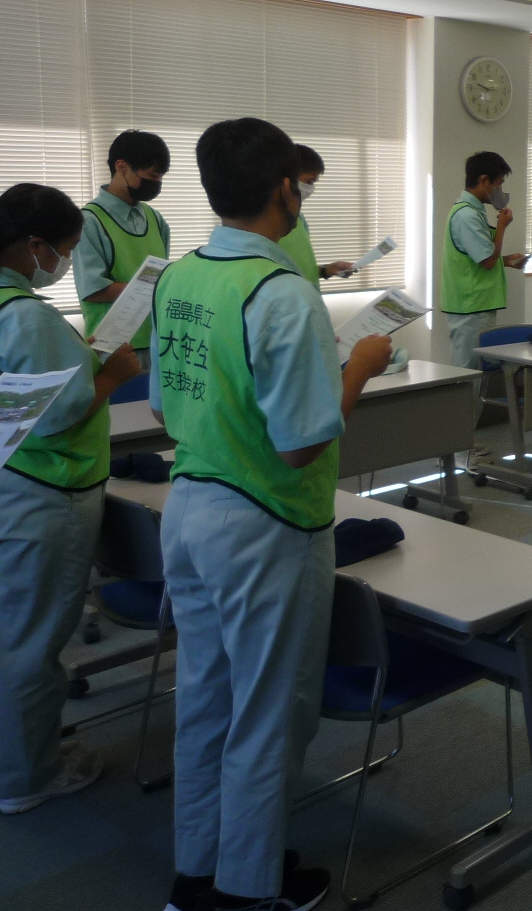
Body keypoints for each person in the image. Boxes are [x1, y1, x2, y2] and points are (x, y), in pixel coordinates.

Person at [152, 117, 392, 911]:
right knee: (267, 716)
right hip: (266, 523)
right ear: (287, 189)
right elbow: (300, 444)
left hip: (189, 508)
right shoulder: (281, 292)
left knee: (205, 703)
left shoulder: (180, 276)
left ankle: (198, 871)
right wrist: (359, 368)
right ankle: (246, 890)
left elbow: (161, 405)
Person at [0, 184, 140, 816]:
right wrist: (113, 375)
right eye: (65, 249)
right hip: (43, 491)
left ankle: (18, 752)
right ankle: (28, 776)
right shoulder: (25, 316)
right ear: (34, 245)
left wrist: (84, 360)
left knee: (12, 630)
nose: (64, 262)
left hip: (14, 479)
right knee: (31, 642)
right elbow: (58, 415)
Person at [74, 128, 172, 371]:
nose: (156, 183)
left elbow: (161, 274)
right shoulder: (90, 221)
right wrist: (152, 287)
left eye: (161, 177)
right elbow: (92, 290)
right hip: (112, 348)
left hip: (157, 341)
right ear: (121, 166)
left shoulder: (155, 219)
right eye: (151, 175)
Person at [442, 151, 527, 372]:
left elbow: (479, 256)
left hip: (476, 305)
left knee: (477, 370)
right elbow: (487, 261)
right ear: (484, 180)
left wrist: (506, 261)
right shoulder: (466, 215)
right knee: (468, 372)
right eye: (498, 183)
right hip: (470, 307)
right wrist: (502, 227)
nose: (500, 190)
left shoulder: (473, 212)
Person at [278, 144, 355, 285]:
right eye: (309, 181)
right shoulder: (262, 224)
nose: (311, 188)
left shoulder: (299, 219)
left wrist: (327, 270)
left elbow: (299, 268)